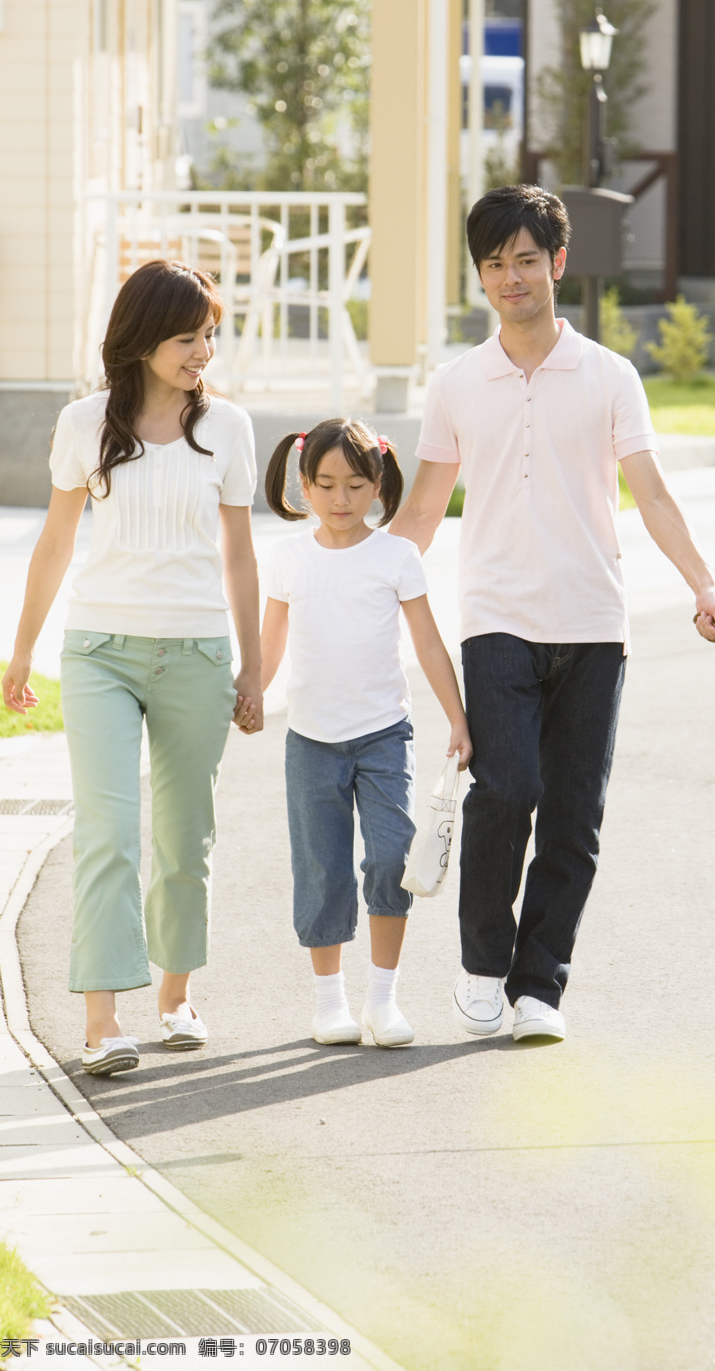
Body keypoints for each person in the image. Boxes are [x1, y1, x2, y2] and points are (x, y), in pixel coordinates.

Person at [390, 184, 715, 1045]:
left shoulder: (611, 376)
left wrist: (703, 583)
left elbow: (649, 492)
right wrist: (358, 579)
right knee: (508, 790)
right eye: (496, 265)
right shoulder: (458, 383)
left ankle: (538, 987)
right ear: (480, 276)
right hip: (497, 617)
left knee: (574, 816)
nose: (512, 278)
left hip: (593, 624)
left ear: (558, 265)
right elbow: (424, 508)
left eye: (527, 261)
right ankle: (482, 966)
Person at [2, 259, 263, 1077]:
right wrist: (21, 651)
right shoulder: (84, 424)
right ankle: (101, 1021)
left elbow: (240, 553)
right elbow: (56, 543)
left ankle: (176, 998)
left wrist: (255, 669)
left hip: (195, 652)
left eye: (211, 335)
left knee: (186, 839)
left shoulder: (230, 428)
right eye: (190, 338)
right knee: (108, 834)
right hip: (99, 653)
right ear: (146, 338)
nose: (204, 353)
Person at [257, 417, 472, 1048]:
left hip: (384, 737)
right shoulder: (289, 557)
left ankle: (383, 1001)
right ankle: (331, 1004)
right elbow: (271, 648)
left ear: (378, 484)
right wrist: (247, 696)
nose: (340, 499)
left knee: (388, 859)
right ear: (303, 485)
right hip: (311, 740)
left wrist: (458, 720)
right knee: (322, 870)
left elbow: (428, 644)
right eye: (324, 484)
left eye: (355, 484)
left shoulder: (396, 556)